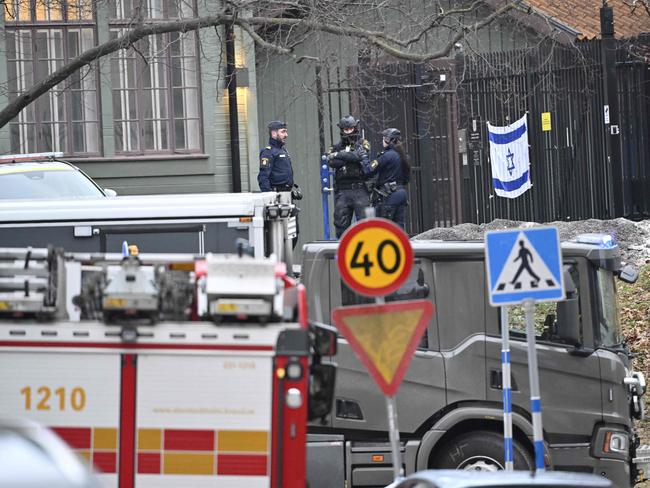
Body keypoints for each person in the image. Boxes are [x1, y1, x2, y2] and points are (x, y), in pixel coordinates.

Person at [258, 120, 302, 246]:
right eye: (283, 132)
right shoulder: (268, 152)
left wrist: (291, 192)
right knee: (277, 235)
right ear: (274, 133)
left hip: (287, 197)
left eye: (286, 131)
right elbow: (263, 177)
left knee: (293, 233)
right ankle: (278, 262)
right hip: (277, 199)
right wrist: (270, 197)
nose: (286, 134)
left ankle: (285, 262)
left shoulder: (283, 151)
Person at [326, 115, 372, 238]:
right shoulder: (336, 146)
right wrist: (350, 157)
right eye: (345, 129)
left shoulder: (363, 143)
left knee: (365, 226)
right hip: (343, 191)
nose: (348, 132)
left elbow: (357, 157)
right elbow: (331, 162)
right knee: (340, 225)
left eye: (350, 129)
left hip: (360, 189)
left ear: (355, 128)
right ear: (341, 130)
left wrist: (339, 155)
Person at [364, 128, 411, 229]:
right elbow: (407, 179)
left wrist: (364, 157)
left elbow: (368, 170)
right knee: (398, 228)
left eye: (384, 138)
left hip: (389, 196)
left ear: (389, 140)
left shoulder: (386, 156)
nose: (382, 140)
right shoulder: (404, 156)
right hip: (401, 194)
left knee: (383, 228)